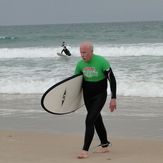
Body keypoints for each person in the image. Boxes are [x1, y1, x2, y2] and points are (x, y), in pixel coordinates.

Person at [75, 42, 117, 159]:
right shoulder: (80, 65)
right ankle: (105, 145)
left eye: (85, 53)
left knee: (89, 120)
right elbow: (75, 84)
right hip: (87, 96)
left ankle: (85, 150)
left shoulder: (102, 62)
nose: (83, 55)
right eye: (81, 52)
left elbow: (112, 79)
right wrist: (72, 103)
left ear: (91, 52)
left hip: (99, 95)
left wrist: (113, 98)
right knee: (96, 119)